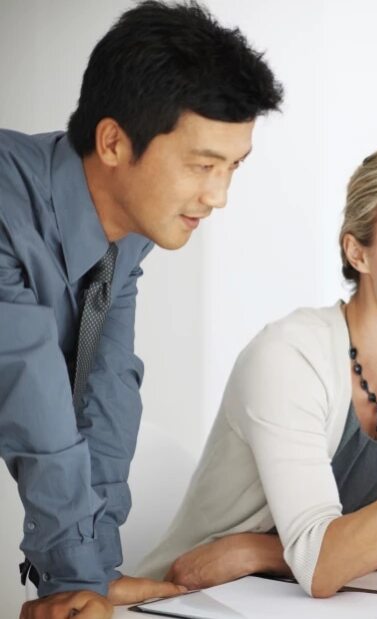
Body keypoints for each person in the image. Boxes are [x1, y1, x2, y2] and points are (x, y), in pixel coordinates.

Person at [136, 145, 377, 597]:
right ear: (357, 253)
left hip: (293, 598)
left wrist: (259, 550)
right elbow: (327, 568)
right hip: (188, 599)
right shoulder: (289, 356)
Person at [0, 2, 283, 617]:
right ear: (113, 142)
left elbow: (107, 393)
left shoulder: (126, 235)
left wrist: (94, 575)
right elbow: (36, 405)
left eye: (233, 167)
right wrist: (75, 581)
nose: (219, 196)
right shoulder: (4, 203)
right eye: (203, 165)